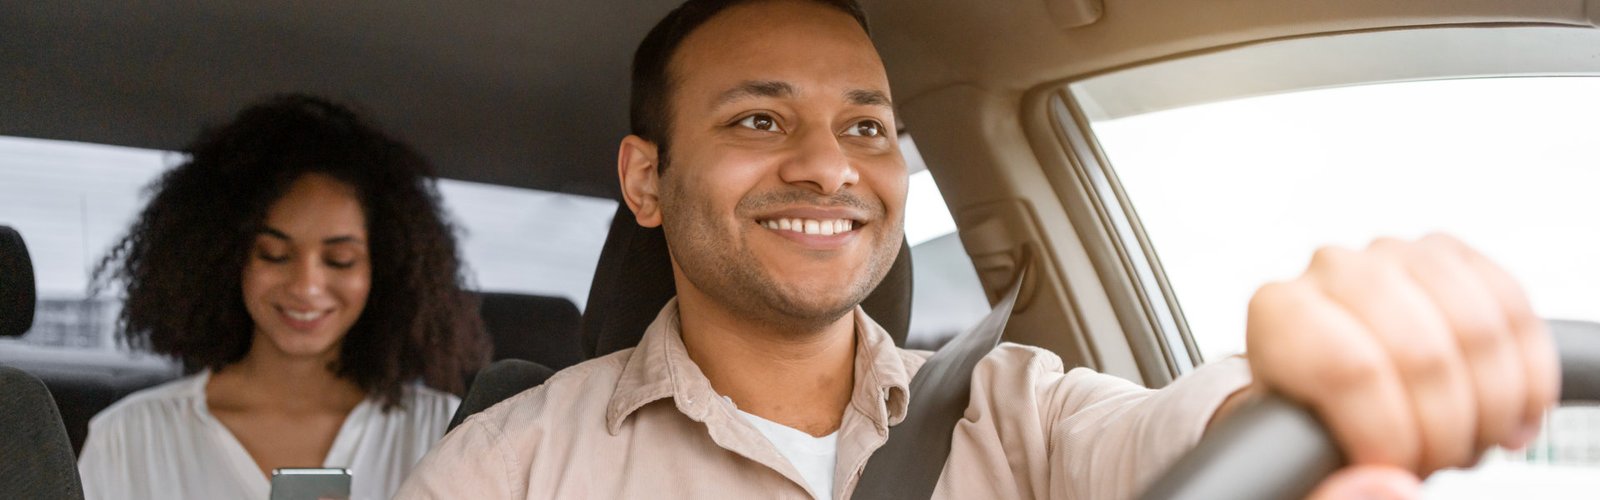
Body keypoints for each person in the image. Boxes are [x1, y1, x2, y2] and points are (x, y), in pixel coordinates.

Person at [396, 1, 1559, 499]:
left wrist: (1297, 393)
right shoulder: (504, 468)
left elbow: (1160, 436)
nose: (829, 165)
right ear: (646, 181)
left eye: (866, 125)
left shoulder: (1019, 409)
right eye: (759, 120)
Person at [79, 94, 490, 500]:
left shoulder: (445, 430)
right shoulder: (129, 437)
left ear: (384, 271)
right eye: (274, 254)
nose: (306, 286)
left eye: (341, 259)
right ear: (224, 258)